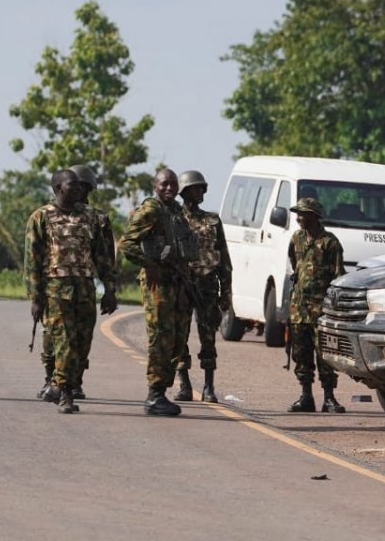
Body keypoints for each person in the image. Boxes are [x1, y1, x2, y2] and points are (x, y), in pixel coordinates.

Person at [24, 170, 117, 413]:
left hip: (85, 288)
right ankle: (65, 393)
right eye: (72, 185)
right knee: (64, 341)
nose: (78, 189)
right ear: (57, 188)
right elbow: (32, 261)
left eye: (79, 185)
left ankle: (61, 384)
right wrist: (35, 297)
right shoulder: (41, 217)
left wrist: (110, 289)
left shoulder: (91, 217)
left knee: (81, 343)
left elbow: (103, 257)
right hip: (56, 289)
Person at [119, 168, 193, 416]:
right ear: (155, 186)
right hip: (158, 286)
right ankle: (155, 394)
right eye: (164, 184)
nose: (169, 188)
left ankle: (161, 391)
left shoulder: (176, 212)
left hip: (178, 284)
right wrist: (150, 265)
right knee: (160, 338)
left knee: (176, 340)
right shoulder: (151, 210)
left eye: (173, 184)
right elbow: (126, 243)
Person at [172, 170, 233, 404]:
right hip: (182, 284)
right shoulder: (174, 218)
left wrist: (226, 293)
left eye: (201, 188)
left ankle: (209, 387)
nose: (200, 192)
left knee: (208, 337)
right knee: (180, 336)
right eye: (195, 188)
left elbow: (224, 259)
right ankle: (184, 384)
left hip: (207, 284)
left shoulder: (213, 220)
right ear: (185, 191)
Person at [287, 197, 346, 413]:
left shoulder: (330, 242)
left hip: (321, 311)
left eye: (302, 214)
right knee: (301, 355)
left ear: (314, 215)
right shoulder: (296, 239)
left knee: (325, 355)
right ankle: (306, 396)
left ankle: (329, 397)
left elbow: (339, 277)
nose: (298, 218)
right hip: (299, 310)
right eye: (298, 213)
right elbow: (295, 266)